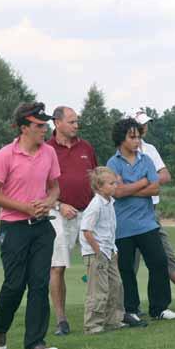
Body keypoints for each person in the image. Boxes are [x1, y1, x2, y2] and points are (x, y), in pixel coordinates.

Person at [0, 102, 60, 349]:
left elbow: (54, 188)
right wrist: (24, 208)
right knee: (15, 285)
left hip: (42, 228)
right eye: (39, 125)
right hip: (14, 228)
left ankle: (35, 343)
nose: (45, 129)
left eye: (45, 124)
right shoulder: (5, 155)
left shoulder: (49, 153)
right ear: (23, 128)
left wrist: (49, 202)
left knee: (39, 284)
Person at [107, 118, 175, 325]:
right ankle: (131, 310)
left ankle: (159, 308)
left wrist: (130, 188)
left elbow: (155, 188)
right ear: (122, 139)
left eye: (138, 136)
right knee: (127, 269)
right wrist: (142, 183)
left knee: (158, 262)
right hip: (123, 226)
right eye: (132, 137)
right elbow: (117, 192)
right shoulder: (113, 164)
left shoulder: (146, 160)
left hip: (147, 223)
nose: (137, 140)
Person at [129, 109, 175, 309]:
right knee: (130, 263)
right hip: (129, 213)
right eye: (139, 124)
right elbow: (121, 185)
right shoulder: (123, 151)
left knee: (164, 256)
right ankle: (128, 306)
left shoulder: (149, 148)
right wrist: (147, 181)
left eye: (145, 124)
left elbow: (165, 176)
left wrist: (138, 183)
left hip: (151, 210)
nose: (143, 128)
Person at [47, 106, 98, 336]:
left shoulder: (86, 147)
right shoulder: (46, 149)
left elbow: (97, 178)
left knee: (98, 264)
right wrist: (58, 205)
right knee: (57, 267)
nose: (76, 126)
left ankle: (100, 314)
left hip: (88, 213)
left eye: (77, 122)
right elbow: (39, 186)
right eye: (72, 122)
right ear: (57, 123)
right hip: (60, 213)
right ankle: (61, 320)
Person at [80, 167, 126, 334]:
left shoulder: (110, 203)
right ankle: (93, 325)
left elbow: (109, 230)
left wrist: (113, 249)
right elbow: (86, 231)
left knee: (116, 285)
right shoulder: (95, 206)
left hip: (109, 251)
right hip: (96, 253)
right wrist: (98, 251)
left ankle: (112, 320)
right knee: (98, 290)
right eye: (111, 183)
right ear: (99, 187)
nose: (115, 186)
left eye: (115, 182)